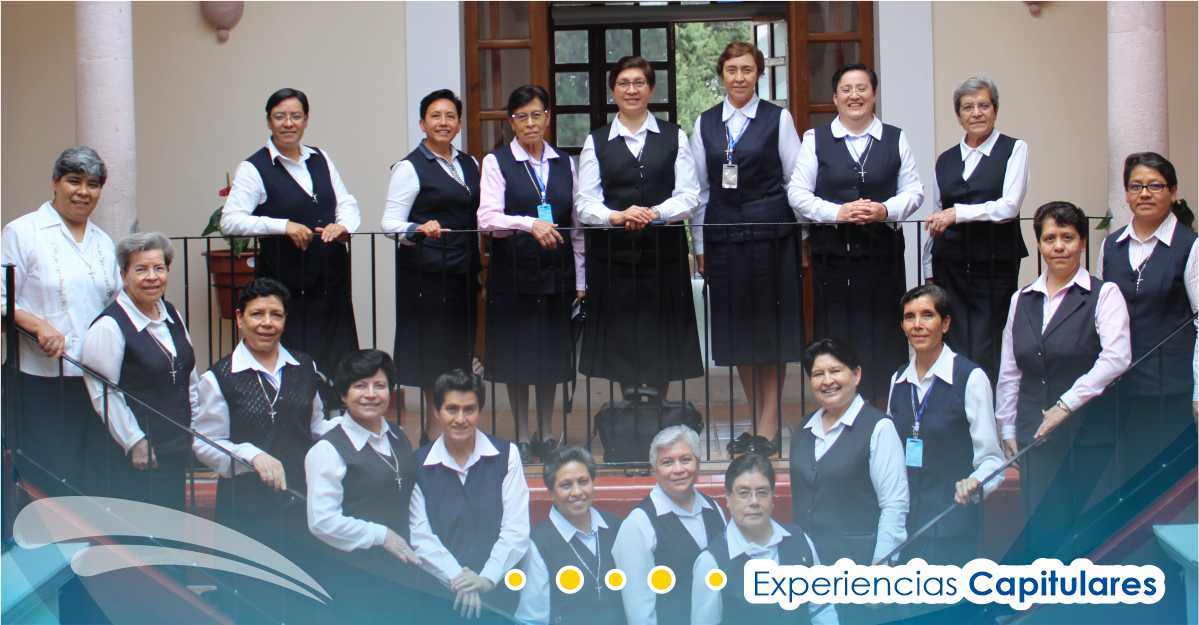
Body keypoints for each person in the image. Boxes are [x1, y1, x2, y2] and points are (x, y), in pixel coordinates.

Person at [193, 277, 335, 622]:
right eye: (257, 314)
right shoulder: (219, 377)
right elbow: (205, 441)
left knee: (304, 594)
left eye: (276, 315)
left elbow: (317, 426)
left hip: (301, 503)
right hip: (247, 510)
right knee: (252, 600)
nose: (267, 323)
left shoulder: (305, 367)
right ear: (239, 318)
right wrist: (251, 454)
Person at [996, 201, 1131, 563]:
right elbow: (1010, 369)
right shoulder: (1021, 299)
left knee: (1091, 531)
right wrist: (1007, 426)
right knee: (1044, 530)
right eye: (1050, 238)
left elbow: (1117, 357)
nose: (1059, 246)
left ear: (1083, 242)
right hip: (1036, 436)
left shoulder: (1105, 294)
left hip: (1091, 434)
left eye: (1068, 237)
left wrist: (1065, 404)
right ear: (1039, 243)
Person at [690, 41, 804, 458]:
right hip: (723, 239)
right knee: (738, 332)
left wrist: (803, 240)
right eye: (732, 69)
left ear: (758, 74)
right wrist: (700, 244)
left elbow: (796, 182)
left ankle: (768, 426)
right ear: (722, 74)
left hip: (773, 237)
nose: (739, 77)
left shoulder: (778, 118)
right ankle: (757, 422)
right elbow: (700, 190)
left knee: (769, 330)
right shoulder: (705, 123)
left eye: (747, 69)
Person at [787, 63, 924, 399]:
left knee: (885, 335)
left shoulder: (895, 137)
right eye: (846, 90)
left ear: (874, 95)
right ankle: (839, 407)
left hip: (883, 259)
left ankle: (883, 412)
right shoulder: (815, 139)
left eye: (862, 88)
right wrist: (837, 212)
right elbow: (797, 193)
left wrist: (885, 210)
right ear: (835, 97)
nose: (854, 96)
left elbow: (914, 191)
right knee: (836, 337)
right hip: (833, 261)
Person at [576, 56, 703, 397]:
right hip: (613, 261)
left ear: (651, 89)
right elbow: (584, 203)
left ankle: (659, 411)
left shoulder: (675, 136)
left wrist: (655, 212)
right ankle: (629, 412)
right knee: (621, 344)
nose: (631, 90)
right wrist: (615, 217)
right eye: (623, 83)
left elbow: (690, 196)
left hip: (664, 258)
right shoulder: (596, 141)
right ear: (613, 91)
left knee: (664, 343)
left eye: (639, 83)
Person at [0, 146, 121, 494]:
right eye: (73, 181)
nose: (83, 192)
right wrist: (38, 325)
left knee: (89, 470)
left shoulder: (103, 242)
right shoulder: (23, 232)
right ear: (55, 181)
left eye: (93, 184)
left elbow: (115, 304)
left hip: (93, 376)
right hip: (39, 378)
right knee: (48, 473)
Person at [221, 88, 360, 378]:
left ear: (306, 120)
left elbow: (346, 202)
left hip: (333, 286)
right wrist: (281, 225)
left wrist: (343, 226)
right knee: (297, 371)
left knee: (340, 369)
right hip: (290, 293)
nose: (288, 123)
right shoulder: (253, 168)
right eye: (280, 116)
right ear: (268, 121)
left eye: (296, 116)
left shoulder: (321, 158)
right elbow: (230, 222)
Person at [478, 85, 585, 463]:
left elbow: (576, 226)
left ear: (548, 117)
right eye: (521, 117)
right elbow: (487, 218)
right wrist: (528, 223)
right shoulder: (497, 162)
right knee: (517, 357)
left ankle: (546, 432)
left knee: (551, 356)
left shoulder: (564, 163)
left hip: (556, 274)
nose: (529, 123)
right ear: (511, 122)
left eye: (536, 115)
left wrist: (581, 278)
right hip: (513, 276)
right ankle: (522, 434)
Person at [383, 89, 481, 445]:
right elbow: (389, 223)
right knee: (431, 356)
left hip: (462, 274)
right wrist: (417, 228)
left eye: (450, 116)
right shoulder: (409, 168)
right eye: (435, 116)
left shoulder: (470, 164)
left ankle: (454, 424)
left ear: (459, 123)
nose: (443, 122)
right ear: (422, 123)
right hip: (425, 278)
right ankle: (432, 430)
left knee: (457, 353)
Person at [1097, 152, 1199, 493]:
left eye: (1155, 185)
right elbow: (1101, 317)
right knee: (1127, 485)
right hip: (1122, 389)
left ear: (1173, 192)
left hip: (1173, 391)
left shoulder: (1190, 246)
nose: (1144, 193)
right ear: (1126, 194)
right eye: (1136, 186)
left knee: (1170, 488)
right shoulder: (1111, 246)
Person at [790, 338, 908, 624]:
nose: (827, 381)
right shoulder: (804, 428)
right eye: (818, 374)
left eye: (836, 371)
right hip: (809, 574)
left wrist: (881, 572)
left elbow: (894, 504)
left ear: (856, 374)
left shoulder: (879, 428)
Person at [81, 233, 199, 513]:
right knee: (141, 533)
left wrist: (195, 426)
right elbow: (103, 392)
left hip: (173, 449)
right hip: (134, 457)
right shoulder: (109, 326)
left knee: (171, 528)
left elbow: (188, 376)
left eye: (159, 268)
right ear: (124, 275)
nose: (152, 277)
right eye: (141, 269)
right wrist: (135, 441)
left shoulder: (171, 313)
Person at [923, 76, 1030, 385]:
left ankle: (988, 409)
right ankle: (957, 407)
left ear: (995, 110)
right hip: (950, 267)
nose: (976, 113)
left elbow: (1009, 206)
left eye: (984, 105)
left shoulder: (1014, 149)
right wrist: (928, 268)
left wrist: (959, 213)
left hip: (993, 267)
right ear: (958, 116)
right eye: (968, 107)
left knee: (987, 343)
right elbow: (937, 215)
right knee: (952, 342)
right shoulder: (945, 160)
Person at [305, 349, 420, 624]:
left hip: (400, 574)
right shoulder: (328, 450)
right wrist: (381, 535)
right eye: (360, 386)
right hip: (353, 580)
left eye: (379, 385)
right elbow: (322, 521)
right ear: (344, 395)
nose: (371, 394)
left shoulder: (398, 435)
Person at [410, 369, 530, 623]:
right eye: (451, 409)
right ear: (436, 411)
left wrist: (486, 578)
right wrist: (461, 581)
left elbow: (516, 530)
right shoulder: (418, 464)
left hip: (499, 597)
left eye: (469, 409)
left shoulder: (507, 455)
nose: (460, 419)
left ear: (479, 411)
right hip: (442, 599)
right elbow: (420, 536)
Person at [691, 453, 837, 625]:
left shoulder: (801, 541)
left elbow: (823, 610)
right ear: (728, 497)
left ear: (772, 497)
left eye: (762, 492)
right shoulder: (711, 563)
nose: (754, 502)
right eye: (743, 493)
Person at [611, 425, 726, 625]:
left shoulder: (714, 508)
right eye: (667, 462)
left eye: (686, 459)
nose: (678, 469)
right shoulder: (638, 524)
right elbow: (639, 610)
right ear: (654, 470)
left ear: (698, 464)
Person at [515, 445, 625, 625]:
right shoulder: (539, 543)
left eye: (583, 481)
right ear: (551, 492)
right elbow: (533, 618)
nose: (577, 492)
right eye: (566, 485)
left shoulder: (615, 525)